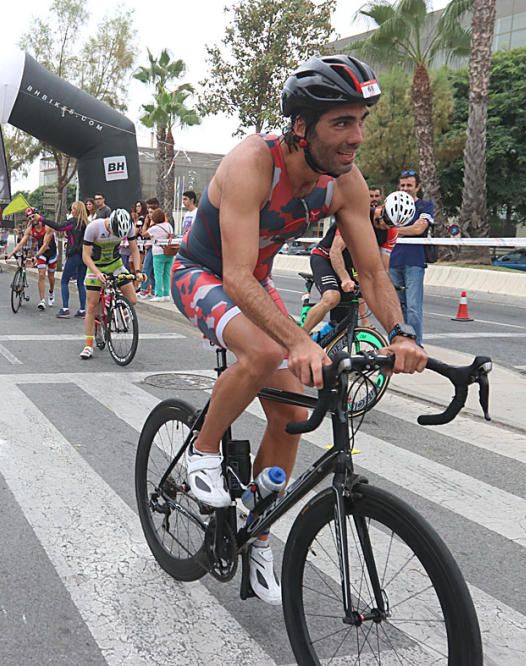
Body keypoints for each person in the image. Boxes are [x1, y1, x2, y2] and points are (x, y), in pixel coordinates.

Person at [171, 55, 426, 605]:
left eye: (361, 121)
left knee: (290, 416)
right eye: (342, 123)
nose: (356, 136)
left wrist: (402, 332)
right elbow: (236, 277)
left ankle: (257, 532)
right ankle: (203, 450)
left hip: (251, 284)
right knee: (265, 352)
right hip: (203, 274)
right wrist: (298, 338)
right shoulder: (252, 163)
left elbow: (374, 272)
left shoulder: (345, 183)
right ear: (301, 126)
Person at [303, 192, 414, 337]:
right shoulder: (357, 217)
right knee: (332, 298)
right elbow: (335, 251)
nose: (385, 226)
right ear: (382, 208)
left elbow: (382, 268)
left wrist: (386, 288)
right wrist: (344, 279)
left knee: (342, 323)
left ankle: (318, 341)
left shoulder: (390, 233)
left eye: (391, 224)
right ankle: (300, 339)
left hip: (349, 264)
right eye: (385, 219)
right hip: (325, 257)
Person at [80, 208, 142, 359]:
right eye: (115, 233)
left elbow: (134, 250)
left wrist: (138, 271)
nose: (117, 236)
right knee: (92, 305)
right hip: (96, 267)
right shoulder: (94, 228)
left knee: (132, 300)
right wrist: (97, 273)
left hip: (115, 265)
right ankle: (88, 345)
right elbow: (86, 256)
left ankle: (115, 310)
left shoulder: (129, 227)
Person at [388, 170, 434, 345]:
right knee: (396, 307)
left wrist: (393, 229)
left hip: (414, 262)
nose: (406, 189)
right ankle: (398, 342)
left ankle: (416, 345)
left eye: (409, 185)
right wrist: (407, 229)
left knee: (413, 307)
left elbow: (418, 229)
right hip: (392, 260)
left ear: (417, 187)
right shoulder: (391, 205)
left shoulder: (425, 206)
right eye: (403, 185)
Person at [9, 209, 58, 309]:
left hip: (51, 253)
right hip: (41, 254)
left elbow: (45, 245)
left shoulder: (47, 227)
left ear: (38, 215)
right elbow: (21, 243)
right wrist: (11, 253)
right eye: (29, 218)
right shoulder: (30, 229)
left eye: (33, 216)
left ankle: (51, 292)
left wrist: (35, 256)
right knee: (41, 274)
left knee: (51, 277)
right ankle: (42, 300)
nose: (32, 219)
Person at [54, 201, 89, 318]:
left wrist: (42, 219)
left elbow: (58, 227)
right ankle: (83, 309)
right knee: (80, 283)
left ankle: (65, 308)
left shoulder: (72, 222)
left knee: (64, 281)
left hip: (73, 255)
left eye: (73, 209)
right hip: (84, 256)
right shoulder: (86, 223)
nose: (72, 211)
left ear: (77, 210)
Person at [145, 208, 176, 301]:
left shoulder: (154, 228)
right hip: (169, 252)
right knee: (167, 274)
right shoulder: (168, 225)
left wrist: (149, 224)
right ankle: (166, 294)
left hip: (158, 252)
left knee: (158, 274)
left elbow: (144, 234)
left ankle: (159, 294)